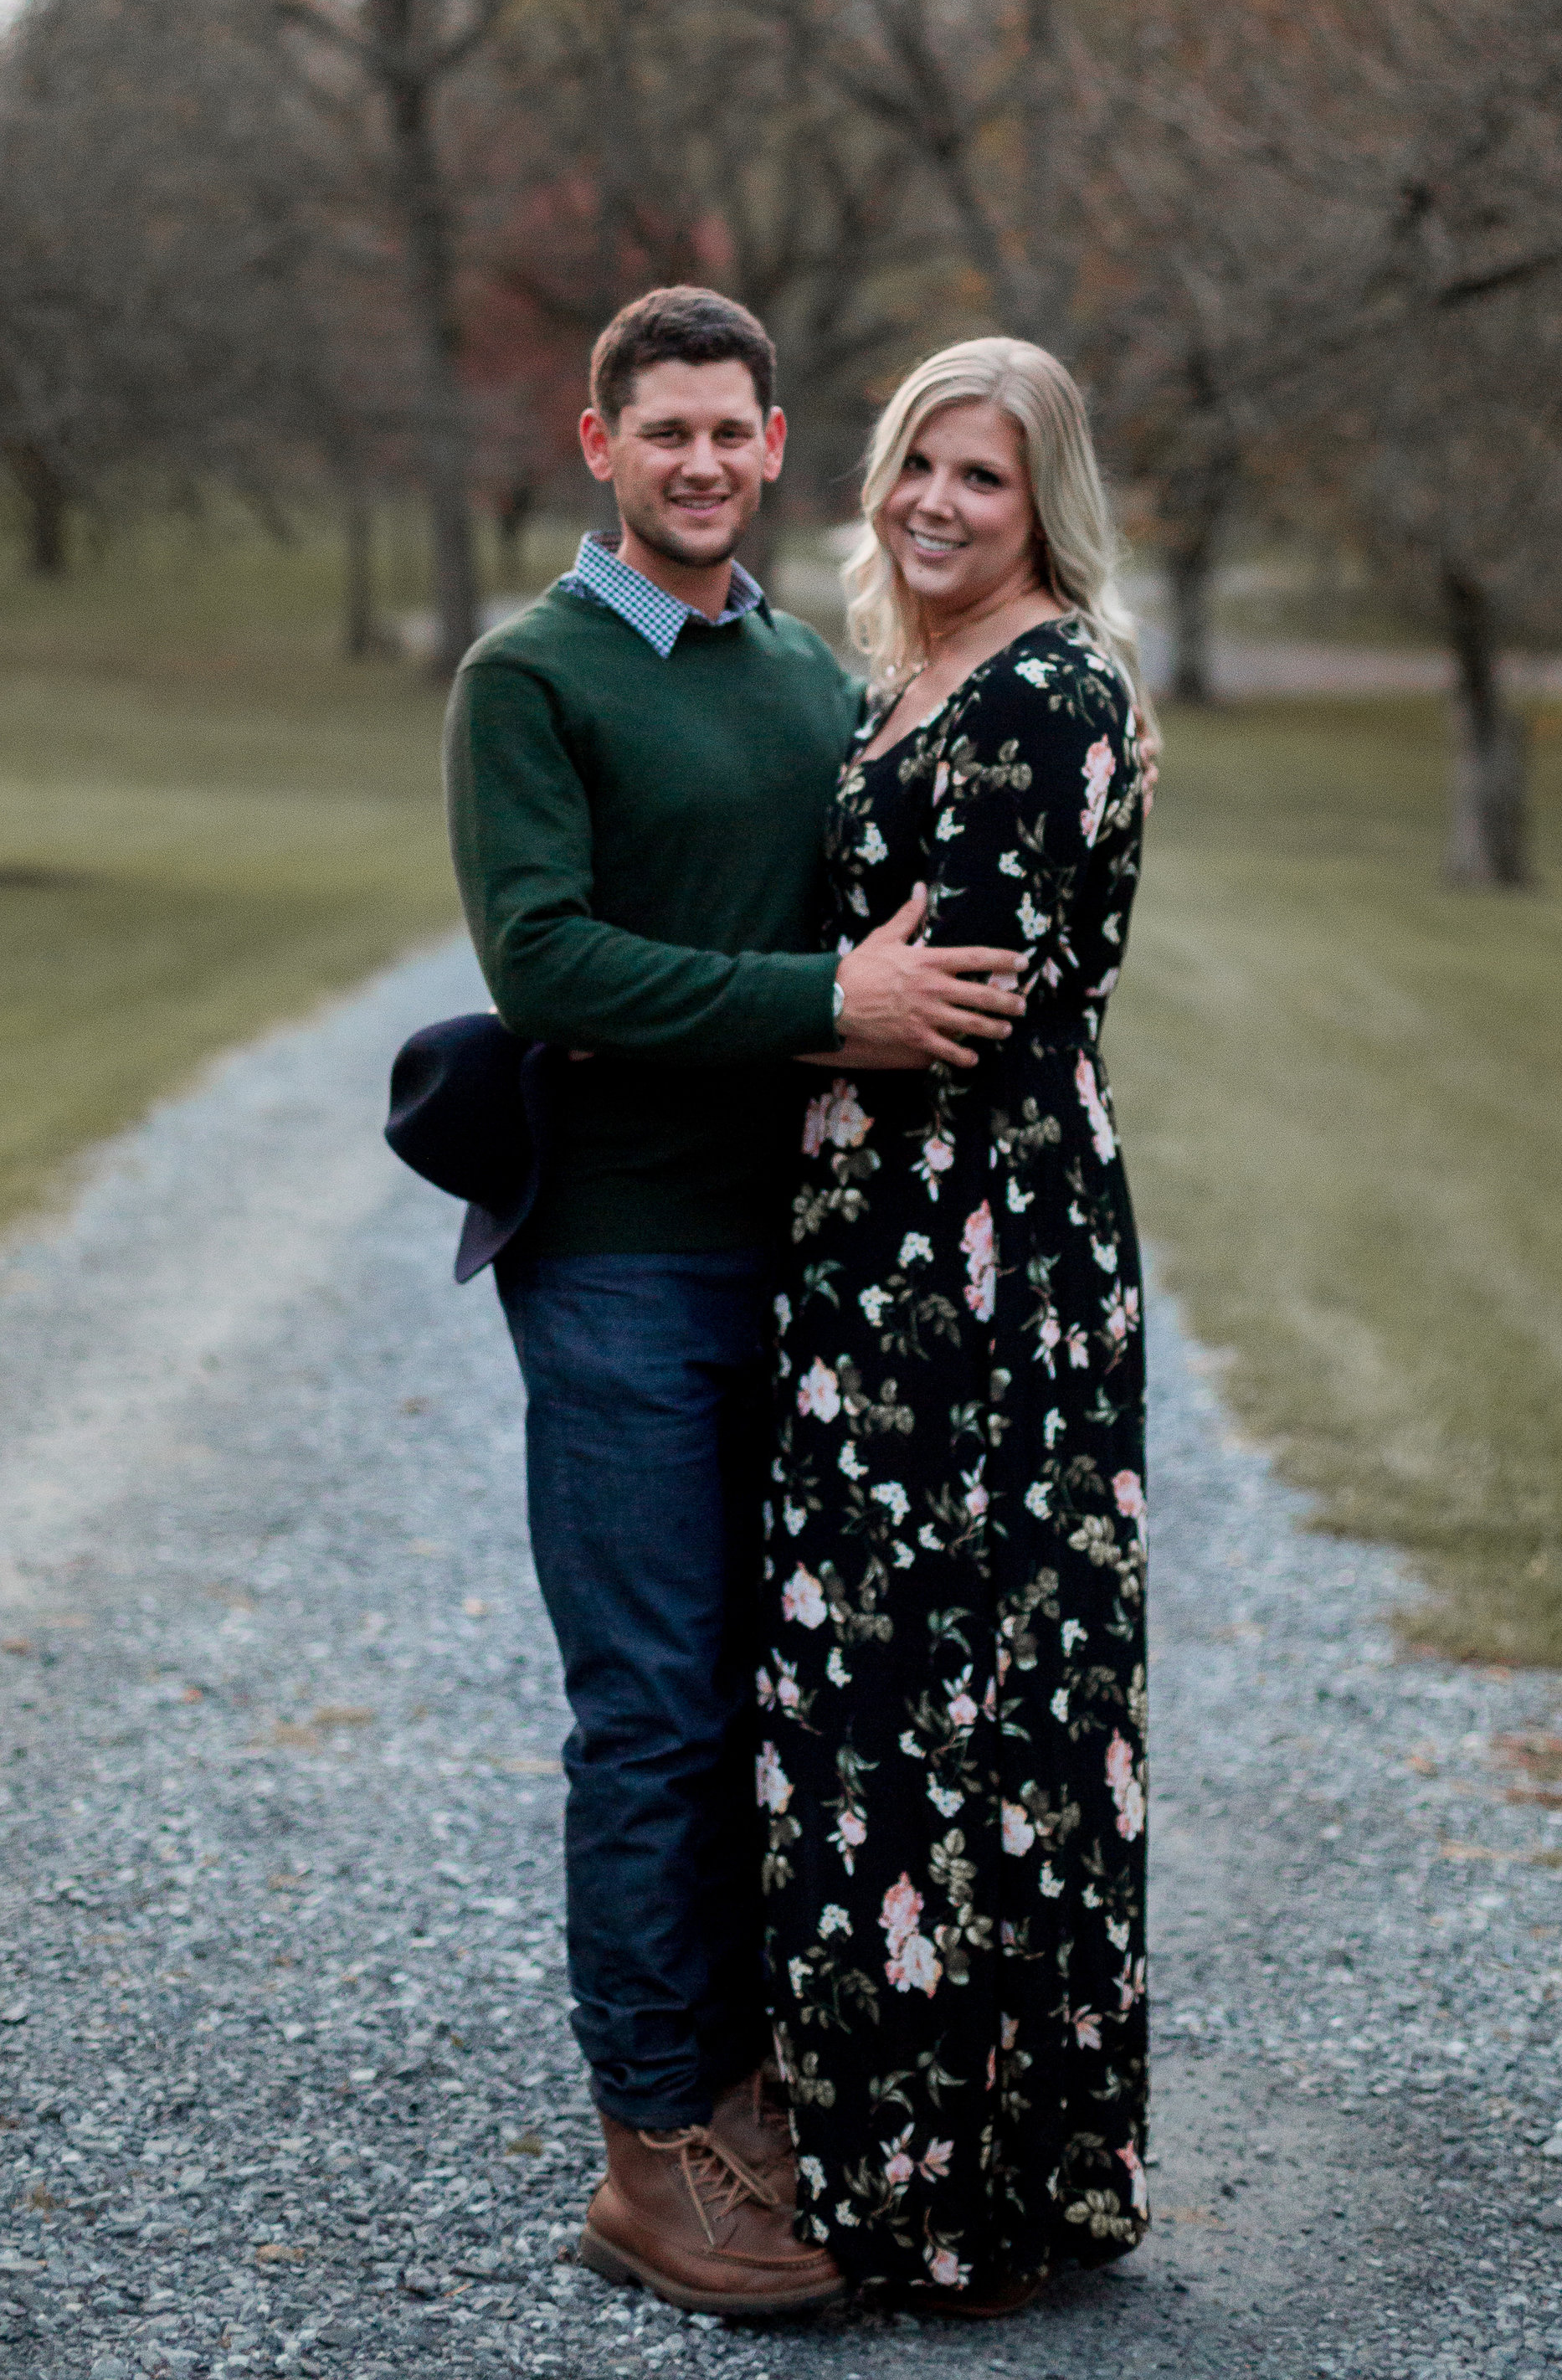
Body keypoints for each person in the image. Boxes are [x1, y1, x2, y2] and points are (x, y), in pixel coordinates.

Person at [444, 286, 1030, 2319]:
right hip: (614, 1261)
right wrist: (824, 1008)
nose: (697, 461)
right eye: (658, 430)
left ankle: (756, 2079)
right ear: (594, 445)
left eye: (729, 430)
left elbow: (875, 929)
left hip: (816, 1270)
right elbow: (550, 967)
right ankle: (648, 2149)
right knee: (658, 1714)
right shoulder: (528, 679)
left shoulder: (809, 675)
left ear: (778, 448)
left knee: (792, 1710)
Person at [758, 337, 1150, 2313]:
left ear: (1038, 506)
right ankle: (872, 2159)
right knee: (869, 1699)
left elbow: (959, 1001)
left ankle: (968, 2198)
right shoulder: (902, 682)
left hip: (975, 1266)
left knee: (961, 1704)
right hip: (879, 1253)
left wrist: (798, 1000)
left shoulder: (1039, 690)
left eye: (978, 481)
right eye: (916, 463)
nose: (931, 503)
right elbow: (864, 973)